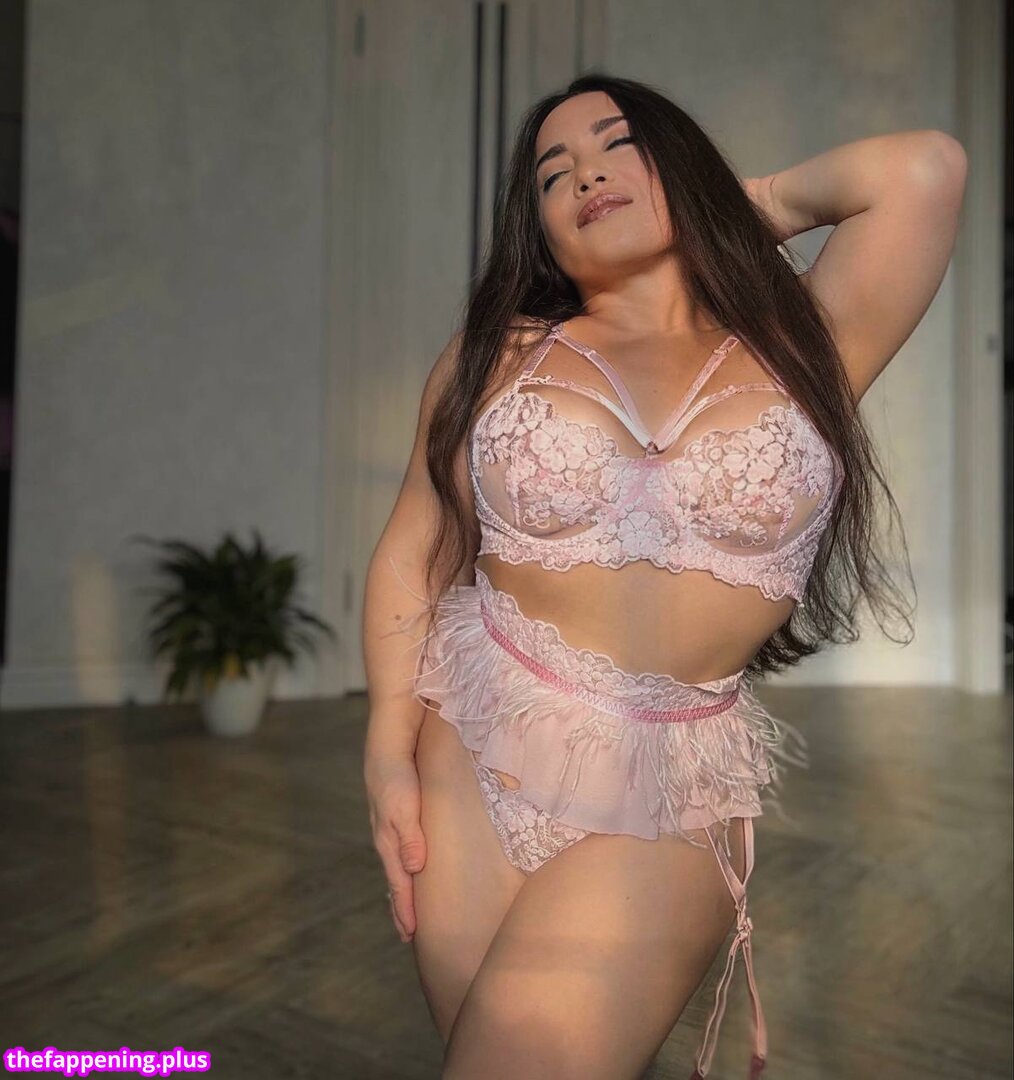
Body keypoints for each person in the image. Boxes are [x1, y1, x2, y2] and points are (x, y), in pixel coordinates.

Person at [362, 73, 966, 1080]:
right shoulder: (498, 353)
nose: (586, 174)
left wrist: (726, 206)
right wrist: (387, 748)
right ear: (540, 230)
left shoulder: (802, 345)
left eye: (618, 144)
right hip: (476, 737)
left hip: (672, 781)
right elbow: (416, 546)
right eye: (553, 173)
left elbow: (925, 170)